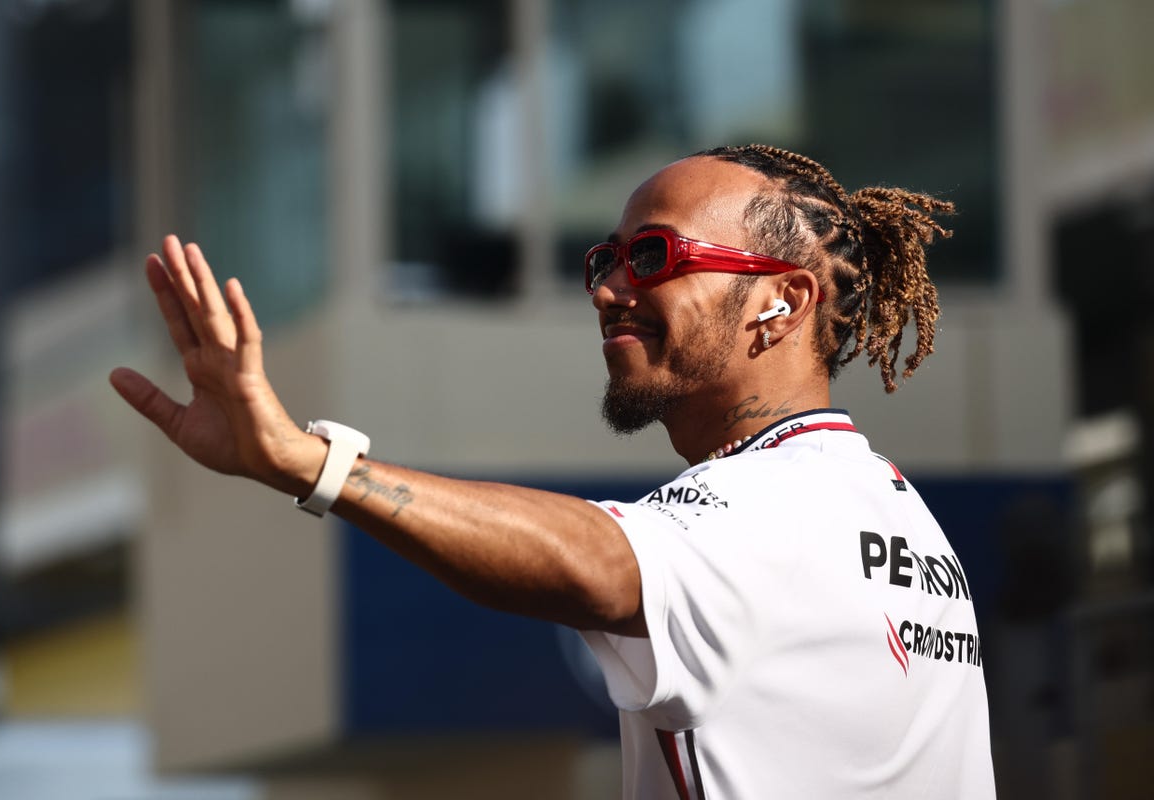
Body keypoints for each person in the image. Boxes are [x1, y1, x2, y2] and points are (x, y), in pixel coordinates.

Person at [110, 143, 995, 798]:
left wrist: (310, 461)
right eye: (604, 260)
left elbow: (596, 563)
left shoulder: (778, 509)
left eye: (654, 256)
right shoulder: (893, 513)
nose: (608, 288)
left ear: (782, 299)